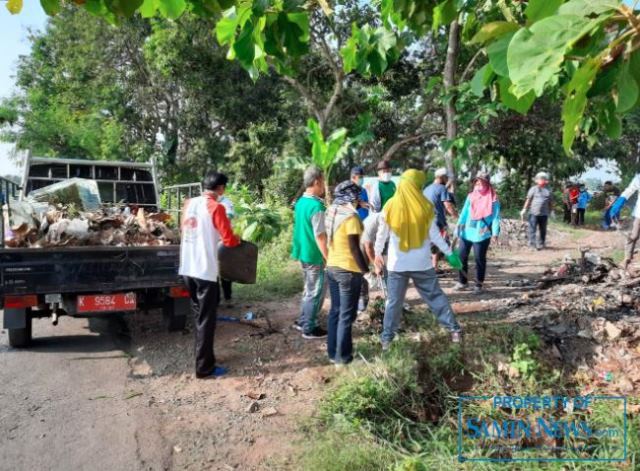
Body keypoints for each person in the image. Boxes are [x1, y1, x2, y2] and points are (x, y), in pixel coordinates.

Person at [374, 169, 463, 349]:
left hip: (396, 265)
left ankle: (386, 339)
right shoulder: (425, 206)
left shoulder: (390, 206)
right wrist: (450, 253)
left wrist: (377, 254)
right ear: (417, 186)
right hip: (422, 264)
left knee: (393, 302)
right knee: (435, 297)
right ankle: (454, 330)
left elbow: (381, 236)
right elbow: (436, 236)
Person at [179, 171, 241, 379]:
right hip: (204, 272)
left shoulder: (189, 204)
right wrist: (237, 238)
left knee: (199, 318)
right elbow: (229, 240)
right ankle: (204, 368)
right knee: (207, 321)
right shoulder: (216, 207)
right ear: (221, 188)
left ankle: (205, 359)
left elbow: (184, 230)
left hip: (187, 269)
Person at [325, 181, 369, 366]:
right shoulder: (350, 217)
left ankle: (332, 353)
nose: (359, 201)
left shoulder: (332, 211)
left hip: (332, 267)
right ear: (352, 197)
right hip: (348, 270)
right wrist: (365, 271)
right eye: (358, 197)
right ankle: (343, 358)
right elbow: (354, 248)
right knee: (346, 315)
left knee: (335, 312)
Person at [291, 166, 329, 339]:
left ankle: (303, 320)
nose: (324, 186)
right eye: (322, 182)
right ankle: (309, 327)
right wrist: (328, 257)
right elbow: (320, 237)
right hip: (314, 255)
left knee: (308, 288)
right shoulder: (316, 207)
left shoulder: (300, 203)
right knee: (316, 291)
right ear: (316, 182)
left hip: (303, 253)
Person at [453, 172, 501, 293]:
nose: (479, 183)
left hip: (482, 233)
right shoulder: (471, 196)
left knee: (479, 259)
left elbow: (496, 218)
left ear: (487, 183)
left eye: (482, 181)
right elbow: (464, 213)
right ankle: (462, 282)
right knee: (461, 256)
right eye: (477, 181)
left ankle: (479, 285)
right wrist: (457, 227)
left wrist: (495, 233)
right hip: (467, 231)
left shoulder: (493, 199)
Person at [423, 168, 458, 271]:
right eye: (446, 178)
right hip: (436, 221)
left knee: (431, 244)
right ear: (441, 177)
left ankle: (432, 267)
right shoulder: (442, 189)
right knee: (438, 244)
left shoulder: (426, 189)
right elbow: (447, 206)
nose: (447, 180)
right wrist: (456, 216)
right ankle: (434, 267)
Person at [608, 174, 640, 270]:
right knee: (633, 236)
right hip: (639, 213)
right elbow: (629, 190)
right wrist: (619, 202)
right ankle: (627, 259)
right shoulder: (639, 177)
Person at [521, 172, 553, 250]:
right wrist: (524, 209)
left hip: (544, 214)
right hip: (533, 213)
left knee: (543, 230)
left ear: (546, 180)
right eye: (540, 178)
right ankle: (532, 245)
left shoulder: (548, 190)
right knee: (532, 229)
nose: (542, 180)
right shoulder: (533, 189)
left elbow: (550, 202)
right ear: (537, 180)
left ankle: (541, 244)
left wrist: (552, 211)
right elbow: (528, 199)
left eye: (543, 178)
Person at [218, 194, 235, 306]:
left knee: (226, 272)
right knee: (214, 272)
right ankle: (216, 298)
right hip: (214, 240)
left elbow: (229, 216)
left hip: (223, 240)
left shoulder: (226, 202)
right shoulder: (209, 201)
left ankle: (228, 298)